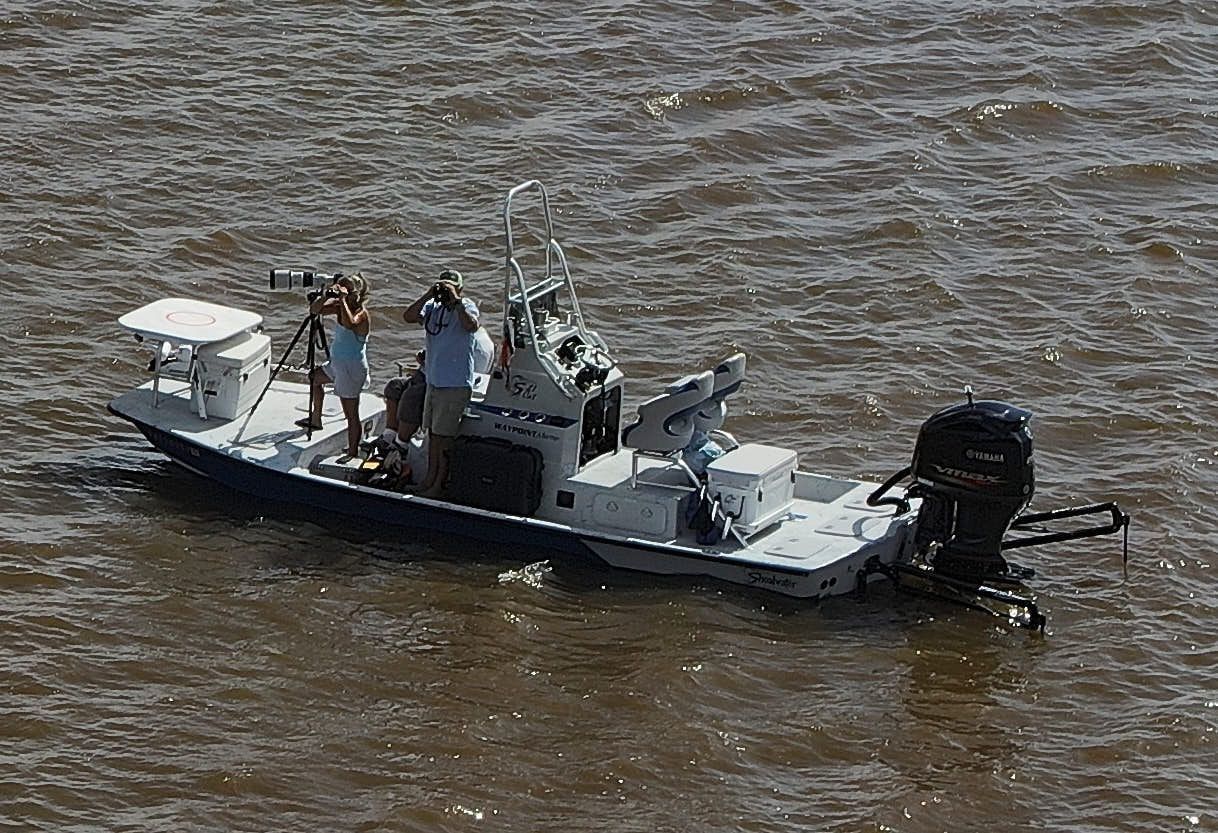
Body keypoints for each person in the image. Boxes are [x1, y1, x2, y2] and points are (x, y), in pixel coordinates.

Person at [402, 268, 479, 497]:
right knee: (433, 436)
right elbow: (408, 316)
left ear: (460, 289)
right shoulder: (433, 308)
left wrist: (456, 301)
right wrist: (428, 295)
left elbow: (471, 325)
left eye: (450, 287)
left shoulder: (466, 306)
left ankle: (438, 485)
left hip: (454, 384)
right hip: (435, 382)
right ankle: (428, 480)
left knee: (444, 439)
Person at [299, 272, 371, 460]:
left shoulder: (362, 314)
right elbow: (315, 310)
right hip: (337, 364)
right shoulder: (340, 306)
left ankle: (353, 451)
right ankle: (316, 418)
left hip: (351, 369)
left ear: (358, 294)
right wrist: (327, 296)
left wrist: (342, 300)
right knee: (314, 378)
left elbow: (350, 323)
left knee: (351, 414)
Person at [379, 349, 426, 451]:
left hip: (434, 381)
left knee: (412, 396)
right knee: (394, 386)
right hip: (421, 375)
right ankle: (389, 434)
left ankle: (401, 444)